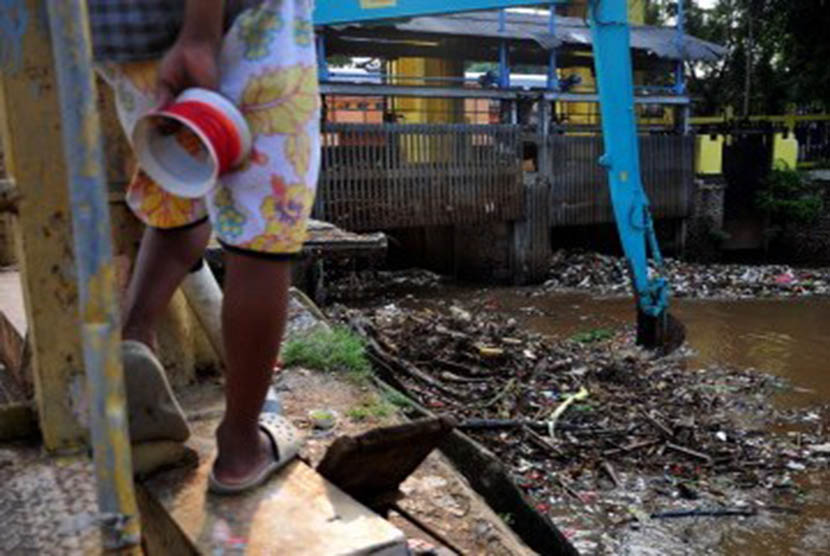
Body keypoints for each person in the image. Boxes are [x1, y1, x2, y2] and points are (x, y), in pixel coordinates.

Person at [89, 0, 320, 494]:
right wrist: (199, 33)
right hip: (237, 26)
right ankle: (239, 448)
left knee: (179, 191)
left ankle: (134, 340)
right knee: (261, 241)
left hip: (124, 42)